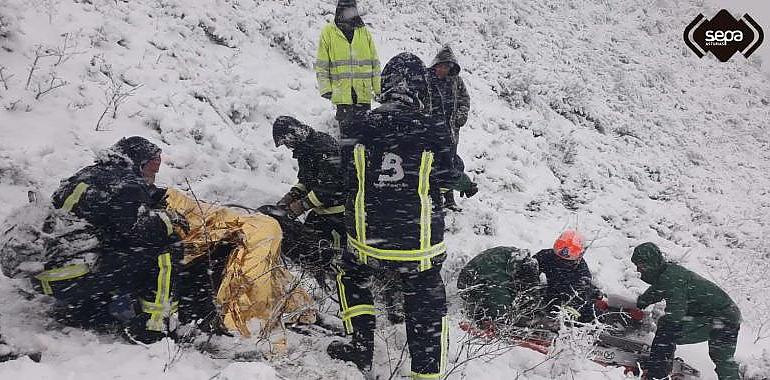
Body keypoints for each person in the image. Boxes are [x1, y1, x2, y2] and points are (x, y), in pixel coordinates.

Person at [327, 53, 472, 378]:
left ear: (385, 85)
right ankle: (425, 373)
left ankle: (361, 349)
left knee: (352, 277)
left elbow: (346, 178)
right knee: (427, 301)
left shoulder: (358, 125)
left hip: (368, 242)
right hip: (418, 245)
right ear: (421, 88)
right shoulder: (433, 129)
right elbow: (448, 176)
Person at [46, 137, 192, 343]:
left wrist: (150, 197)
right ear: (138, 162)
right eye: (152, 164)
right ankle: (154, 326)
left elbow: (109, 211)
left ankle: (85, 308)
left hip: (51, 270)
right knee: (167, 248)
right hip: (70, 276)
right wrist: (170, 219)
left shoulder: (90, 174)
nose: (155, 170)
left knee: (117, 249)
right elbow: (140, 231)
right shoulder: (126, 185)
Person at [629, 242, 741, 380]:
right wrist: (639, 303)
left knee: (667, 330)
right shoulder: (668, 273)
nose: (639, 270)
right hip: (726, 315)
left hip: (722, 317)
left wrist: (660, 349)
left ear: (652, 264)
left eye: (641, 266)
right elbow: (656, 291)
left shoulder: (672, 279)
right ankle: (660, 368)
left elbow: (675, 315)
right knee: (723, 359)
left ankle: (657, 374)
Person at [272, 116, 345, 283]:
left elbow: (327, 188)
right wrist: (291, 196)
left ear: (293, 133)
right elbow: (306, 180)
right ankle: (319, 272)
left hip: (339, 213)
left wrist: (301, 205)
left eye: (286, 141)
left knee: (327, 250)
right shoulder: (306, 149)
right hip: (322, 210)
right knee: (305, 245)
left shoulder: (323, 147)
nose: (288, 146)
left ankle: (337, 276)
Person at [315, 0, 381, 133]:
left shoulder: (363, 32)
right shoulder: (328, 32)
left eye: (353, 9)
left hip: (363, 93)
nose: (350, 13)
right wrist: (325, 88)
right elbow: (322, 64)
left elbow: (374, 63)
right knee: (348, 137)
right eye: (347, 9)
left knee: (366, 134)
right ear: (340, 10)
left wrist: (379, 89)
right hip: (342, 94)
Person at [427, 44, 471, 211]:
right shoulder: (427, 80)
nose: (443, 70)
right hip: (431, 131)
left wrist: (460, 116)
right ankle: (433, 197)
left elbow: (464, 100)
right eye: (441, 66)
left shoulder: (456, 81)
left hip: (450, 131)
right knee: (432, 164)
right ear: (436, 64)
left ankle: (449, 198)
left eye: (447, 67)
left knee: (450, 162)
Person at [456, 246, 541, 328]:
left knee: (514, 296)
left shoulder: (523, 262)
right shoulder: (497, 272)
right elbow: (499, 297)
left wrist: (534, 309)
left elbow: (532, 287)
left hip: (491, 279)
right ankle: (483, 317)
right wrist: (505, 319)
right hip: (469, 285)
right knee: (498, 307)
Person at [533, 230, 599, 322]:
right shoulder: (545, 256)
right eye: (558, 258)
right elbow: (529, 273)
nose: (561, 261)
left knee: (589, 311)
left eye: (566, 262)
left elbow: (583, 293)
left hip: (567, 304)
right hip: (546, 297)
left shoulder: (581, 269)